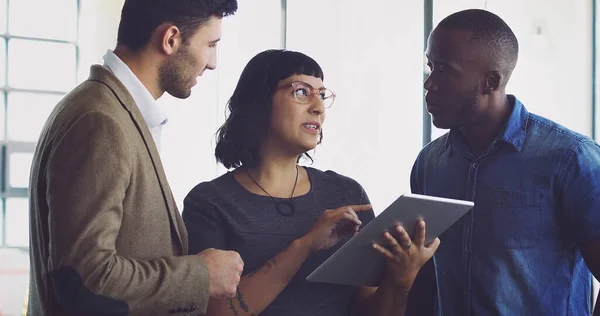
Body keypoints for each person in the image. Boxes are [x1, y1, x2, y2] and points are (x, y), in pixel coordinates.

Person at [182, 49, 440, 316]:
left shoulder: (347, 194)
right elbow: (216, 311)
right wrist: (304, 245)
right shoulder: (209, 203)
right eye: (302, 92)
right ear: (258, 101)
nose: (318, 108)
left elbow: (368, 309)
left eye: (322, 94)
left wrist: (401, 279)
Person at [28, 1, 242, 315]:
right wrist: (200, 275)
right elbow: (85, 280)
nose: (212, 63)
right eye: (210, 44)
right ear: (170, 39)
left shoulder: (111, 109)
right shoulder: (100, 120)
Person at [409, 8, 600, 315]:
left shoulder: (570, 159)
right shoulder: (429, 163)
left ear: (491, 81)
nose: (429, 84)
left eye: (444, 70)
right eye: (430, 67)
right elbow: (426, 279)